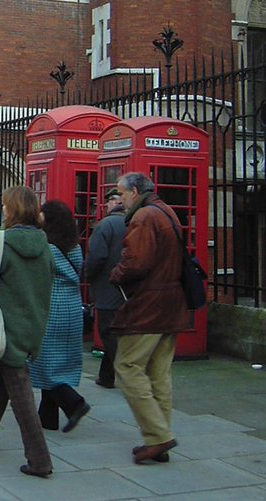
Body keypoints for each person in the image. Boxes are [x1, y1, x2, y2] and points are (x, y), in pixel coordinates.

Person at [0, 185, 54, 478]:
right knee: (1, 383)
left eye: (5, 205)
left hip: (6, 328)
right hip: (33, 324)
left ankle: (40, 460)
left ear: (11, 210)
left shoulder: (0, 240)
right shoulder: (44, 243)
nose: (2, 209)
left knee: (22, 397)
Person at [109, 172, 192, 464]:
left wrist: (115, 274)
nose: (118, 200)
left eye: (120, 193)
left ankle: (158, 436)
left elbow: (135, 262)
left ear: (134, 191)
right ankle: (159, 439)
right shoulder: (166, 210)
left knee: (127, 365)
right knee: (159, 374)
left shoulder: (143, 217)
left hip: (149, 305)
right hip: (172, 302)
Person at [28, 200, 91, 433]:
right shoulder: (73, 246)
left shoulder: (45, 246)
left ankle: (73, 402)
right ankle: (48, 418)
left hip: (50, 307)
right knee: (57, 360)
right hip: (72, 309)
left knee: (41, 361)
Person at [84, 187, 126, 389]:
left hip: (107, 290)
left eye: (110, 201)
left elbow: (96, 258)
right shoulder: (134, 222)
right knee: (117, 334)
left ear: (117, 202)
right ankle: (106, 377)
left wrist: (87, 276)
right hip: (128, 290)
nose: (107, 204)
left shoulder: (105, 225)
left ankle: (131, 377)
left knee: (109, 335)